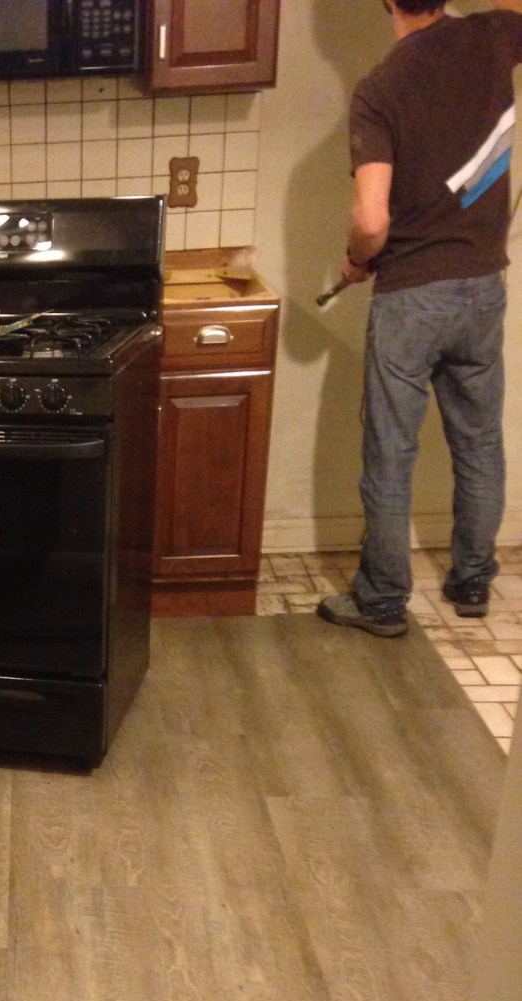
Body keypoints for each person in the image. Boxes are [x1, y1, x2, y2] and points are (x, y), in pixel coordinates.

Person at [318, 0, 522, 638]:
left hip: (410, 296)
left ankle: (381, 601)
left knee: (391, 452)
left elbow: (371, 220)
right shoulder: (494, 34)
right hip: (483, 286)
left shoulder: (380, 89)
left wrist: (356, 260)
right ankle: (472, 581)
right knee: (479, 441)